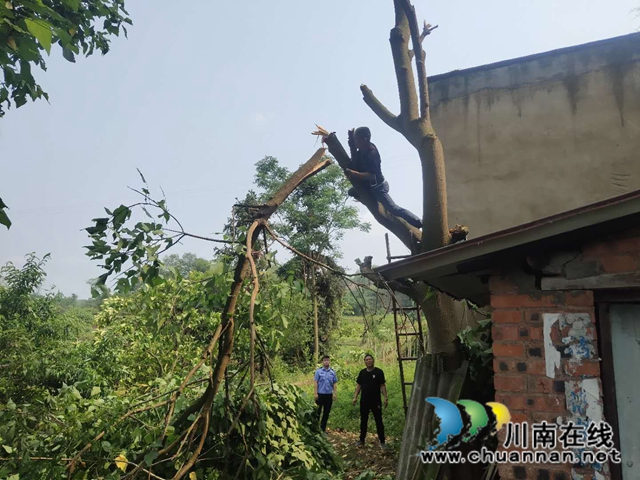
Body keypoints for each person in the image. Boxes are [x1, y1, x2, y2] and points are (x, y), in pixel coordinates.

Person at [345, 126, 422, 229]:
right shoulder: (361, 151)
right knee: (352, 192)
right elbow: (353, 152)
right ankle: (368, 199)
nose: (356, 143)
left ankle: (418, 222)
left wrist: (354, 173)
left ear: (365, 139)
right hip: (367, 187)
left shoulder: (372, 153)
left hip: (378, 187)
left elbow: (371, 175)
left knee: (392, 208)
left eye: (357, 140)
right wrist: (351, 138)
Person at [353, 354, 388, 448]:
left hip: (376, 401)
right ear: (364, 362)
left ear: (373, 360)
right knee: (363, 420)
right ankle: (361, 440)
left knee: (379, 421)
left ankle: (382, 441)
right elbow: (359, 386)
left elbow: (382, 385)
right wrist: (355, 397)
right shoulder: (362, 373)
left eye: (370, 359)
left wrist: (385, 397)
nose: (368, 361)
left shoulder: (379, 372)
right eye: (366, 360)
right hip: (364, 401)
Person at [314, 355, 338, 432]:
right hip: (320, 394)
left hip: (328, 395)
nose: (326, 361)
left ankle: (322, 429)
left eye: (328, 360)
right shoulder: (318, 372)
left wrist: (334, 393)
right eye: (325, 360)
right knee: (318, 411)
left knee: (326, 412)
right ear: (322, 362)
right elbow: (316, 383)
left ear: (329, 361)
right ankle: (316, 428)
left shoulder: (332, 372)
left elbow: (334, 383)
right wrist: (315, 393)